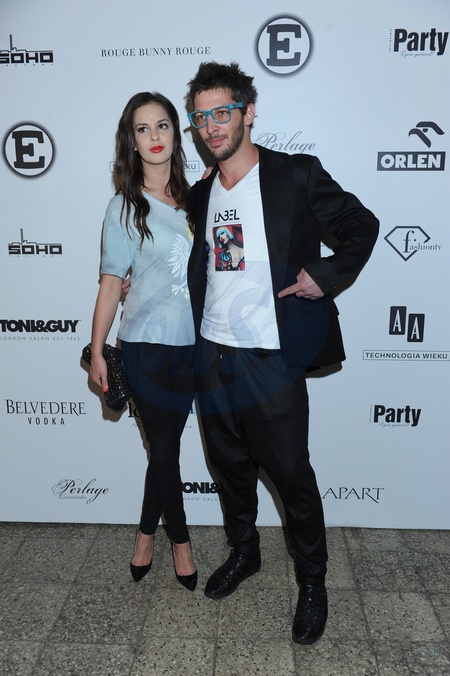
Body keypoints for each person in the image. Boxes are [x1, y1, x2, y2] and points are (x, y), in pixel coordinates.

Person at [186, 62, 379, 643]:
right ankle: (245, 552)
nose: (211, 126)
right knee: (228, 468)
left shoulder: (294, 174)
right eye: (201, 116)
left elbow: (361, 224)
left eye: (222, 112)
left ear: (248, 113)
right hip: (213, 353)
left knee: (291, 475)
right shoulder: (201, 193)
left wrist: (326, 274)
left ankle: (313, 581)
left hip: (270, 359)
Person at [89, 92, 197, 591]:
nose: (154, 137)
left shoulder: (199, 199)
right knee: (168, 452)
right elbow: (112, 282)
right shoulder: (124, 206)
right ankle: (181, 544)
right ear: (131, 141)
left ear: (177, 132)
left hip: (195, 346)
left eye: (162, 125)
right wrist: (97, 351)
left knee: (164, 451)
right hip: (146, 347)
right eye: (142, 129)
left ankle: (143, 537)